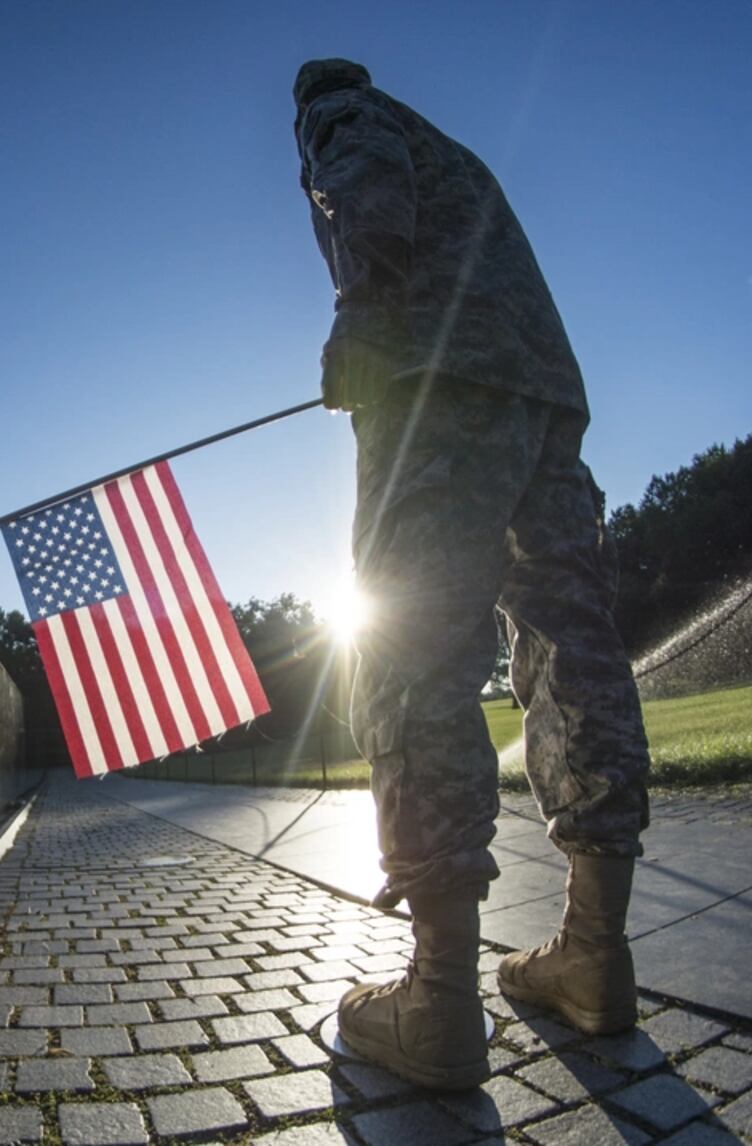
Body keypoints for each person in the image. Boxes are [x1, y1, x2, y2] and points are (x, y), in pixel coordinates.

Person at [293, 58, 651, 1089]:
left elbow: (357, 178)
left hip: (433, 387)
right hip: (541, 400)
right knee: (571, 645)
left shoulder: (338, 107)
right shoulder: (461, 156)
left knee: (409, 653)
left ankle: (439, 996)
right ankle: (596, 951)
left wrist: (360, 318)